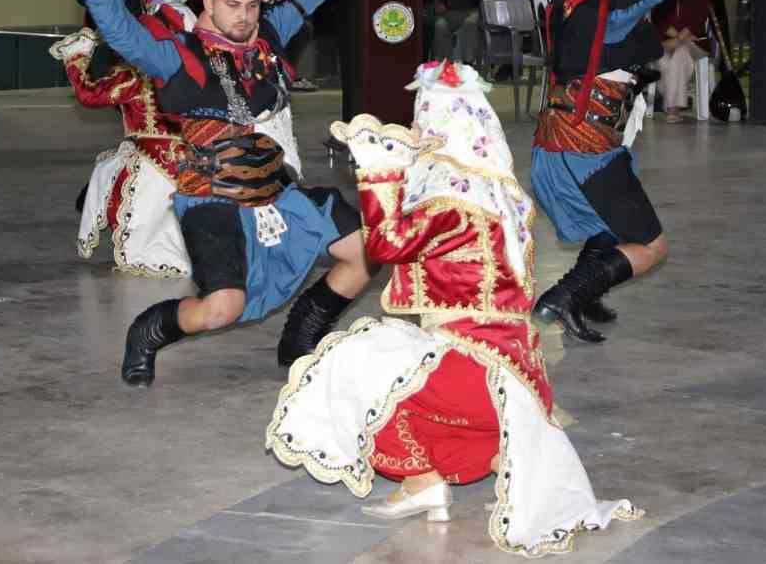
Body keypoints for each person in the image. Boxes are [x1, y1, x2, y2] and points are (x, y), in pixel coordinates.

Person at [265, 61, 640, 554]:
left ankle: (423, 480)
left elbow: (384, 243)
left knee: (353, 365)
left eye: (423, 119)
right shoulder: (502, 193)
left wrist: (377, 172)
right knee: (402, 364)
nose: (418, 130)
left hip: (474, 368)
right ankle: (449, 476)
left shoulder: (447, 196)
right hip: (518, 372)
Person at [68, 0, 392, 388]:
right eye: (232, 4)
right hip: (211, 200)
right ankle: (150, 329)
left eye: (251, 6)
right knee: (223, 308)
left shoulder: (267, 38)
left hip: (272, 189)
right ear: (208, 1)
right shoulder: (180, 55)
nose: (244, 16)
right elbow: (125, 34)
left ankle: (301, 336)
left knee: (364, 251)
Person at [530, 0, 722, 344]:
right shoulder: (612, 11)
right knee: (652, 247)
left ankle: (585, 295)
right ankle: (565, 295)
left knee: (609, 227)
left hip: (557, 146)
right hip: (586, 149)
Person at [52, 0, 196, 276]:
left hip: (177, 79)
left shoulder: (188, 3)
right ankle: (106, 199)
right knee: (136, 144)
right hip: (137, 78)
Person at [652, 0, 715, 122]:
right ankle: (672, 102)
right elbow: (657, 16)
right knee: (663, 60)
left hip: (694, 41)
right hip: (668, 38)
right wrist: (676, 37)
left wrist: (681, 39)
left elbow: (700, 15)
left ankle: (673, 108)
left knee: (681, 53)